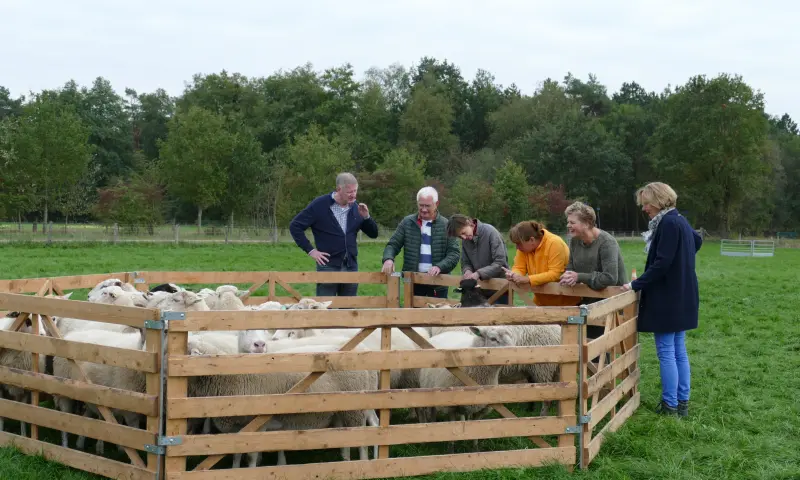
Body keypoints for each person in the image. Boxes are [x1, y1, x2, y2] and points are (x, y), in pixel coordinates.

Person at [621, 182, 702, 417]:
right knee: (678, 350)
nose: (644, 209)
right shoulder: (680, 220)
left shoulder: (667, 223)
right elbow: (697, 242)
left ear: (658, 201)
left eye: (646, 204)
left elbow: (662, 263)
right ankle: (682, 403)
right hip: (684, 294)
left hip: (668, 298)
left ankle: (670, 405)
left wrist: (636, 284)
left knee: (667, 351)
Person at [289, 172, 379, 297]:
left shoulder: (356, 208)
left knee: (349, 310)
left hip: (351, 266)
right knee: (325, 309)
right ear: (338, 189)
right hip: (328, 266)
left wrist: (367, 217)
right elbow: (295, 226)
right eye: (349, 192)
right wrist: (311, 251)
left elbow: (374, 234)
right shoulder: (320, 205)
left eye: (355, 191)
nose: (353, 195)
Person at [559, 201, 627, 339]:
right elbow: (571, 266)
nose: (568, 226)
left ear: (587, 223)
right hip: (585, 300)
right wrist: (568, 275)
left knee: (598, 346)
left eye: (572, 222)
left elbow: (610, 277)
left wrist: (579, 277)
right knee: (577, 340)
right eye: (568, 222)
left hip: (609, 300)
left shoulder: (607, 243)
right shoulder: (574, 241)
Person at [381, 187, 460, 300]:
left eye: (427, 206)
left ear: (436, 204)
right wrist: (388, 259)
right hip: (413, 282)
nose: (423, 209)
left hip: (438, 283)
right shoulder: (407, 223)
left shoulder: (446, 225)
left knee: (436, 316)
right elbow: (393, 244)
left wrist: (440, 266)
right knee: (413, 316)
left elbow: (454, 253)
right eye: (421, 205)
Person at [502, 220, 581, 307]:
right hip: (540, 303)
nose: (517, 247)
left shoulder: (555, 243)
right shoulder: (523, 249)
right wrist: (514, 275)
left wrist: (527, 279)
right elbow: (519, 267)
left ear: (532, 239)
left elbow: (555, 274)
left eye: (519, 244)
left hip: (566, 303)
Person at [446, 214, 510, 305]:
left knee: (501, 318)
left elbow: (500, 262)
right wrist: (467, 270)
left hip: (500, 288)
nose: (464, 238)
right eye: (460, 237)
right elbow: (465, 261)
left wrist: (478, 273)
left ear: (468, 222)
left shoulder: (490, 232)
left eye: (463, 233)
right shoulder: (466, 240)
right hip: (479, 290)